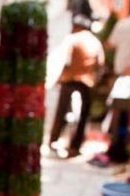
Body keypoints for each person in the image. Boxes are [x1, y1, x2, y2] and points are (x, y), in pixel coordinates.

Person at [49, 14, 105, 158]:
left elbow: (64, 61)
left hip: (70, 80)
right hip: (87, 82)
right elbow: (100, 64)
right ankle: (75, 146)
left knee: (61, 111)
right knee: (83, 116)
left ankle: (53, 140)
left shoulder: (73, 39)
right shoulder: (95, 42)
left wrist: (57, 79)